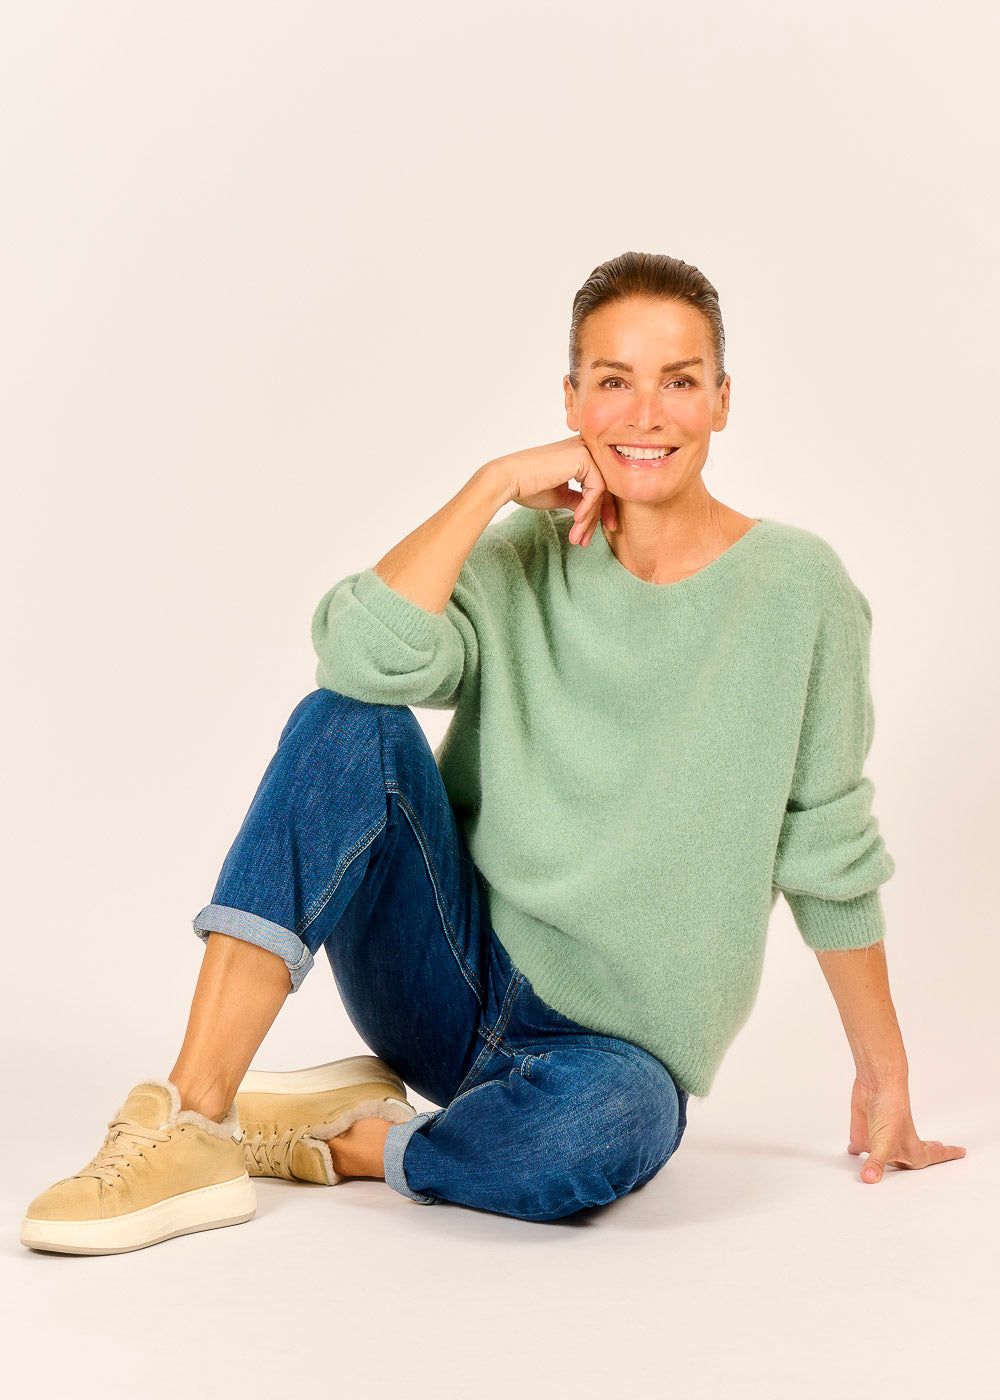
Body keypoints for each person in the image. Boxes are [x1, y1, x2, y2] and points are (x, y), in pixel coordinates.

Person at [20, 251, 966, 1255]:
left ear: (722, 401)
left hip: (611, 1057)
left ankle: (346, 1142)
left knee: (606, 1138)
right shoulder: (523, 554)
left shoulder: (798, 588)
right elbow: (357, 658)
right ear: (572, 400)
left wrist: (884, 1072)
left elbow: (824, 841)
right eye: (614, 381)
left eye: (679, 381)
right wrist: (491, 487)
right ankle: (192, 1120)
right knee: (348, 722)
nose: (646, 414)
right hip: (446, 974)